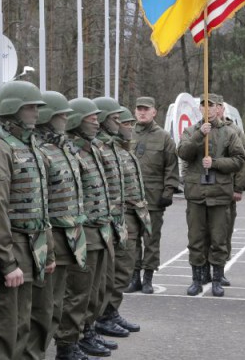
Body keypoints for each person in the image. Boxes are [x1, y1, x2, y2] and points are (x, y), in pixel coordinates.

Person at [0, 81, 49, 360]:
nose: (36, 113)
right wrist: (6, 260)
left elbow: (40, 203)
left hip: (27, 249)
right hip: (7, 249)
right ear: (12, 109)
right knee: (1, 328)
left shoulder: (24, 142)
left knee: (20, 324)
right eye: (30, 107)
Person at [28, 91, 87, 360]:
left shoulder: (62, 148)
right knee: (41, 309)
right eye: (62, 115)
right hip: (47, 240)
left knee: (55, 304)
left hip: (68, 236)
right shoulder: (39, 151)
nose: (66, 120)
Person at [55, 98, 112, 359]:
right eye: (91, 118)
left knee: (94, 289)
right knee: (77, 292)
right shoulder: (71, 152)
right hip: (81, 231)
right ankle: (68, 343)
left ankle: (85, 331)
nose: (96, 122)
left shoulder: (91, 149)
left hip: (97, 228)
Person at [178, 93, 245, 297]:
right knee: (196, 238)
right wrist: (200, 134)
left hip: (219, 194)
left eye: (212, 106)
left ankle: (217, 278)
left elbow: (239, 159)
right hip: (197, 194)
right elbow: (183, 152)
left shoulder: (229, 132)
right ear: (199, 109)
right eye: (203, 106)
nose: (207, 109)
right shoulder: (191, 131)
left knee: (218, 238)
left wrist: (215, 163)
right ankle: (197, 279)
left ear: (218, 109)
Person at [101, 106, 150, 333]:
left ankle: (111, 312)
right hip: (119, 217)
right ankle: (105, 316)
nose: (130, 126)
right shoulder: (107, 150)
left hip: (132, 216)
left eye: (131, 123)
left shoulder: (123, 150)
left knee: (125, 268)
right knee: (118, 270)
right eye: (125, 123)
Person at [127, 97, 179, 295]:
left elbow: (171, 167)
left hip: (153, 198)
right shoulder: (127, 134)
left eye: (146, 109)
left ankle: (148, 277)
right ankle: (134, 277)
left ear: (154, 112)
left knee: (151, 240)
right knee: (132, 240)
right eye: (139, 109)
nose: (142, 112)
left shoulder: (164, 137)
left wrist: (168, 191)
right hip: (130, 198)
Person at [217, 99, 245, 286]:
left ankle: (220, 269)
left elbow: (242, 159)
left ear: (222, 109)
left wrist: (238, 187)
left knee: (224, 230)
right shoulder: (199, 129)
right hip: (204, 190)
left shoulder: (234, 130)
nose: (212, 109)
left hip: (227, 188)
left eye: (216, 106)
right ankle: (204, 269)